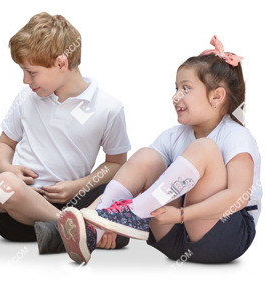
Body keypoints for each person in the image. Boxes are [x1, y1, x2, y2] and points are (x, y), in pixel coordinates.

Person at [59, 36, 259, 264]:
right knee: (148, 156)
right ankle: (96, 226)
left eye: (186, 88)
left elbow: (238, 196)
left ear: (216, 96)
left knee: (204, 149)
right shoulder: (173, 136)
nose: (176, 97)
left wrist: (182, 215)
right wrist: (104, 220)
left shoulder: (236, 136)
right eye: (176, 88)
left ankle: (132, 213)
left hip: (222, 236)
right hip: (173, 237)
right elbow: (139, 178)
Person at [0, 12, 131, 254]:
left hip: (76, 200)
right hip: (20, 211)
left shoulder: (108, 108)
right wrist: (7, 168)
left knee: (123, 187)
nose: (25, 80)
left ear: (61, 63)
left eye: (31, 72)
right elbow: (5, 143)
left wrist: (78, 187)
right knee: (1, 187)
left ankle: (62, 232)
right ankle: (79, 228)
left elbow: (116, 163)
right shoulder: (27, 98)